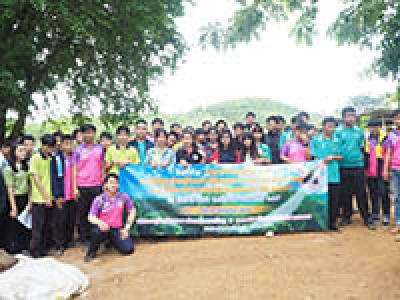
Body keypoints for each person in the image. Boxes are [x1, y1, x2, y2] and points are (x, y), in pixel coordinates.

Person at [335, 107, 375, 230]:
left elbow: (362, 148)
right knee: (345, 193)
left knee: (361, 193)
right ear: (343, 117)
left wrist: (364, 163)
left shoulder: (359, 131)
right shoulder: (337, 132)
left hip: (358, 166)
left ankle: (366, 218)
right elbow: (335, 148)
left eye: (353, 115)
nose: (351, 118)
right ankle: (347, 217)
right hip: (343, 167)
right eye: (348, 116)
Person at [84, 173, 136, 263]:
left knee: (128, 250)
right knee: (96, 232)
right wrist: (100, 223)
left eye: (116, 183)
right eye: (111, 182)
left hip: (117, 229)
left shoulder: (123, 197)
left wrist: (126, 228)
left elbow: (132, 210)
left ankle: (111, 241)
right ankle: (91, 252)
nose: (114, 185)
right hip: (103, 228)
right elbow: (90, 216)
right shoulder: (99, 199)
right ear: (106, 185)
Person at [72, 124, 105, 246]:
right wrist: (75, 187)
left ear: (94, 134)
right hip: (82, 185)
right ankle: (84, 238)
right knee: (83, 213)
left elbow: (102, 166)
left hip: (96, 185)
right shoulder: (77, 150)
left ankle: (95, 237)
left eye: (91, 132)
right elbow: (74, 169)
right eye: (85, 132)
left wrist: (103, 182)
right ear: (82, 135)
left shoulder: (100, 148)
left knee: (96, 212)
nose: (88, 135)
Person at [310, 117, 342, 231]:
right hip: (320, 175)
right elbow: (313, 157)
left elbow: (341, 156)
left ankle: (332, 223)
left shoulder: (337, 140)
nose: (331, 129)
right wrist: (322, 160)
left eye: (333, 127)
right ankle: (321, 223)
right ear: (323, 126)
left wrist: (333, 157)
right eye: (329, 126)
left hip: (334, 175)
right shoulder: (316, 140)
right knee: (321, 200)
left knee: (334, 200)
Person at [29, 134, 56, 258]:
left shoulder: (51, 158)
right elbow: (36, 179)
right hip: (39, 199)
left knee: (47, 226)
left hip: (50, 198)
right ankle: (34, 252)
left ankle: (43, 250)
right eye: (49, 147)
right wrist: (45, 197)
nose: (50, 150)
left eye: (52, 147)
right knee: (37, 228)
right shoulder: (35, 158)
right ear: (43, 145)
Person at [50, 134, 76, 256]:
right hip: (62, 195)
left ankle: (69, 241)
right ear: (61, 145)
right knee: (60, 221)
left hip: (73, 195)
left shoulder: (75, 158)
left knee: (71, 219)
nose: (69, 146)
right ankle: (59, 245)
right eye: (66, 143)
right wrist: (57, 195)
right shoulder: (56, 159)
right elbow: (54, 178)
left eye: (71, 143)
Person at [3, 142, 31, 253]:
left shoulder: (26, 167)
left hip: (25, 198)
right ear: (14, 152)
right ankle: (13, 248)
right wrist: (13, 207)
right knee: (14, 225)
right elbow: (9, 189)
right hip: (14, 198)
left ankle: (24, 246)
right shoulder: (8, 168)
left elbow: (29, 185)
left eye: (24, 150)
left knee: (25, 223)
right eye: (20, 150)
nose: (23, 152)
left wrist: (29, 201)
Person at [365, 119, 387, 225]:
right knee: (372, 191)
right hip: (370, 167)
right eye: (371, 127)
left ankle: (386, 214)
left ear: (380, 127)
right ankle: (375, 213)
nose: (374, 129)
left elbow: (388, 153)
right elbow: (365, 152)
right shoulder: (367, 138)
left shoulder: (385, 137)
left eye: (376, 126)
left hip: (382, 165)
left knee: (383, 191)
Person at [384, 110, 400, 233]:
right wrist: (385, 170)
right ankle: (398, 224)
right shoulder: (391, 135)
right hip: (395, 169)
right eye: (396, 118)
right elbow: (388, 153)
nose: (398, 120)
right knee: (396, 197)